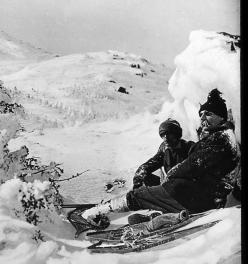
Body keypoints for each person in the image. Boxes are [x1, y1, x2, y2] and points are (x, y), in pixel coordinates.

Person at [83, 88, 239, 222]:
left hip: (196, 195)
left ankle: (98, 212)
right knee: (147, 193)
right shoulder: (215, 138)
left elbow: (193, 165)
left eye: (209, 114)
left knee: (140, 196)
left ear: (221, 116)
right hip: (196, 194)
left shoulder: (219, 139)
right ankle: (159, 218)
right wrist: (141, 179)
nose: (203, 118)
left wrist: (172, 174)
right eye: (201, 114)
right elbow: (151, 165)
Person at [132, 118, 195, 189]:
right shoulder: (164, 150)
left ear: (176, 134)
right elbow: (146, 167)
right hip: (171, 188)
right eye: (162, 135)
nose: (165, 138)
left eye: (168, 134)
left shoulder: (190, 147)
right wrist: (137, 183)